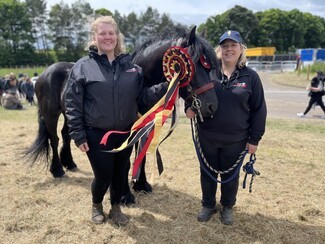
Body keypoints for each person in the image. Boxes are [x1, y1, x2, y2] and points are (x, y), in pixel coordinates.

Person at [65, 16, 168, 226]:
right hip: (96, 135)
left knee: (121, 174)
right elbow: (72, 103)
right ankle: (96, 205)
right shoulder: (83, 67)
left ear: (117, 37)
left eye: (111, 33)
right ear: (94, 37)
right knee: (103, 176)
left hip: (125, 134)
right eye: (102, 33)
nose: (107, 37)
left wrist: (167, 85)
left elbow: (142, 98)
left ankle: (115, 207)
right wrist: (78, 133)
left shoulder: (132, 69)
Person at [184, 30, 267, 225]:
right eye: (225, 46)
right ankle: (208, 205)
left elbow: (259, 109)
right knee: (207, 172)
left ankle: (227, 206)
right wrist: (190, 107)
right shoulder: (209, 73)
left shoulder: (251, 77)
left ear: (241, 49)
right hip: (207, 135)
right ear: (219, 49)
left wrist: (254, 140)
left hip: (236, 139)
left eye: (233, 45)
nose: (229, 49)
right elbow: (193, 93)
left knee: (231, 176)